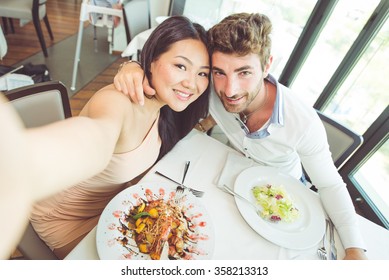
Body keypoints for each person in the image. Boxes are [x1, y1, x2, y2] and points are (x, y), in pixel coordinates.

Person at [113, 13, 367, 260]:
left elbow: (330, 185)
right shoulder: (205, 86)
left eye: (244, 72)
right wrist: (134, 66)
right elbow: (169, 72)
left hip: (282, 196)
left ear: (267, 66)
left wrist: (355, 248)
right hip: (231, 182)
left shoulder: (303, 122)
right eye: (219, 72)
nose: (229, 90)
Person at [0, 15, 210, 260]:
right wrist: (20, 163)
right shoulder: (117, 102)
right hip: (66, 219)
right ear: (151, 61)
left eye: (202, 74)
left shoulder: (164, 108)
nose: (191, 83)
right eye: (181, 66)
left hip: (113, 206)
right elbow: (95, 137)